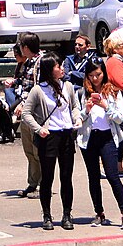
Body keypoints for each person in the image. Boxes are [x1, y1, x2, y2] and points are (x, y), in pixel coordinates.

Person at [22, 55, 82, 231]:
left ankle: (67, 214)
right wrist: (38, 129)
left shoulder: (67, 86)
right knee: (47, 177)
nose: (62, 68)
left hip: (66, 135)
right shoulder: (38, 90)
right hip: (49, 136)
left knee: (66, 177)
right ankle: (47, 215)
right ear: (49, 70)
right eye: (58, 66)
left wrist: (77, 118)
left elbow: (74, 106)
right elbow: (26, 113)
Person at [77, 60, 123, 229]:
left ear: (104, 73)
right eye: (91, 75)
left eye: (98, 75)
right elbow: (78, 117)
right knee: (93, 177)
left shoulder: (113, 91)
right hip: (89, 138)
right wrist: (86, 110)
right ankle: (99, 213)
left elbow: (119, 118)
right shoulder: (83, 92)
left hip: (108, 137)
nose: (95, 79)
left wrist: (105, 106)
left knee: (112, 175)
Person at [8, 32, 44, 199]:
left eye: (21, 46)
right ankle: (32, 182)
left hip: (36, 113)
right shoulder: (28, 62)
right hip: (26, 112)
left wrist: (24, 104)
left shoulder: (41, 62)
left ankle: (43, 185)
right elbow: (25, 82)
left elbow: (38, 88)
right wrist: (14, 82)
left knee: (38, 151)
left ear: (27, 47)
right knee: (29, 149)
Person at [101, 34, 123, 170]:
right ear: (115, 49)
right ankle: (112, 165)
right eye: (121, 45)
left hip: (121, 102)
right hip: (117, 102)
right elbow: (122, 82)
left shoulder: (118, 60)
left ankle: (117, 166)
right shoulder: (114, 62)